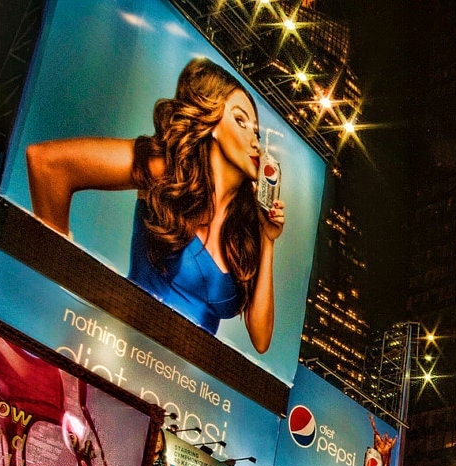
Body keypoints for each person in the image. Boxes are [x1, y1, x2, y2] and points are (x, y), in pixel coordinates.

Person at [25, 58, 286, 351]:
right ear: (212, 123)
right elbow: (49, 166)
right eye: (241, 121)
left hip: (179, 386)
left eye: (258, 133)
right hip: (111, 353)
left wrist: (268, 239)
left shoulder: (245, 230)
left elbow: (261, 339)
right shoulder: (167, 172)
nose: (255, 142)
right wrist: (57, 287)